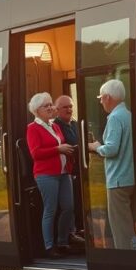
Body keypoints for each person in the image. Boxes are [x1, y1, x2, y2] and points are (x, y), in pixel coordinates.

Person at [87, 79, 136, 250]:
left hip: (117, 180)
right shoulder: (128, 115)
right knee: (130, 223)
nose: (101, 102)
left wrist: (95, 147)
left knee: (121, 227)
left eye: (101, 98)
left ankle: (127, 258)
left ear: (108, 97)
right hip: (130, 177)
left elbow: (111, 149)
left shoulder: (115, 117)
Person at [26, 92, 76, 257]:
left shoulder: (54, 126)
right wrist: (58, 149)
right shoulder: (32, 128)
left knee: (68, 207)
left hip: (63, 172)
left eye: (50, 104)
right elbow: (36, 154)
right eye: (45, 106)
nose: (49, 108)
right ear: (36, 110)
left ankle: (62, 241)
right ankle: (49, 246)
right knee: (50, 209)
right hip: (46, 174)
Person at [54, 95, 86, 239]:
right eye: (65, 107)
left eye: (71, 106)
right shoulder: (55, 127)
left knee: (80, 202)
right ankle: (70, 236)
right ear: (57, 110)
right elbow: (65, 147)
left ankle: (80, 231)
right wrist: (84, 147)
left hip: (81, 169)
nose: (69, 110)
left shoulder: (75, 124)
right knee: (70, 205)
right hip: (66, 172)